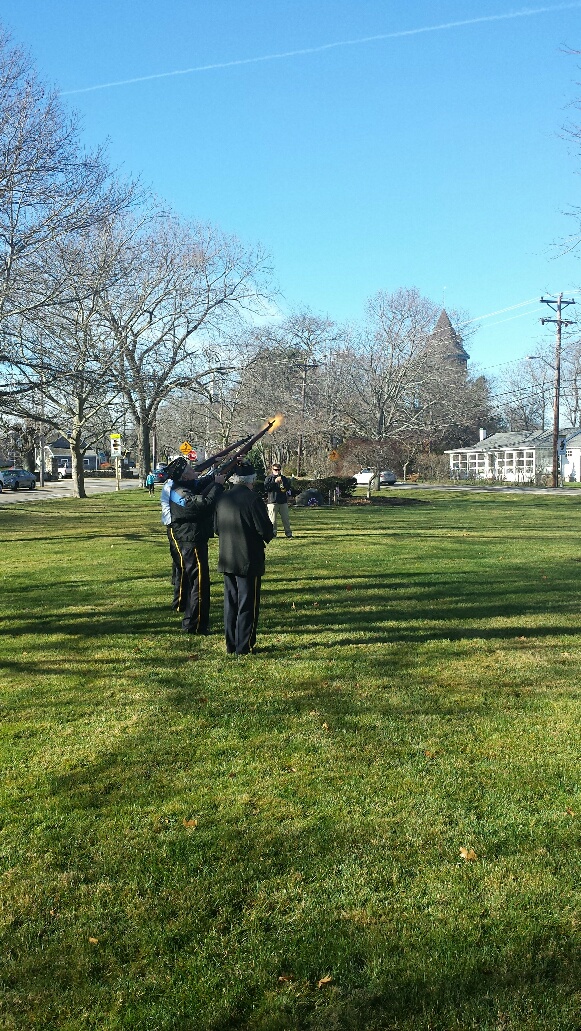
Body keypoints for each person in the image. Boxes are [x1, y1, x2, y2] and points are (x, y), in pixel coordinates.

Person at [214, 461, 274, 655]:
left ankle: (231, 644)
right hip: (248, 557)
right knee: (247, 603)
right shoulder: (253, 500)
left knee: (230, 603)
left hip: (227, 557)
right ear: (251, 479)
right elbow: (264, 529)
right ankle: (244, 645)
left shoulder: (222, 498)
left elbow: (216, 528)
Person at [160, 456, 225, 634]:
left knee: (197, 582)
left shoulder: (184, 486)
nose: (193, 470)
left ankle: (194, 621)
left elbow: (202, 482)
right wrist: (218, 485)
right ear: (184, 477)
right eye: (189, 469)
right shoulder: (178, 492)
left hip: (193, 538)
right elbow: (203, 505)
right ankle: (194, 625)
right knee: (199, 584)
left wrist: (221, 469)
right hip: (191, 540)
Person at [263, 462, 293, 538]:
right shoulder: (269, 478)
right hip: (272, 502)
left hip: (283, 502)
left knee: (285, 519)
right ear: (272, 470)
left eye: (278, 470)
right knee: (272, 520)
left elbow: (286, 489)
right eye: (275, 470)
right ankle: (273, 534)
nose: (277, 471)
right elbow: (266, 488)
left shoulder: (284, 478)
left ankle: (288, 533)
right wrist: (274, 482)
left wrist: (283, 484)